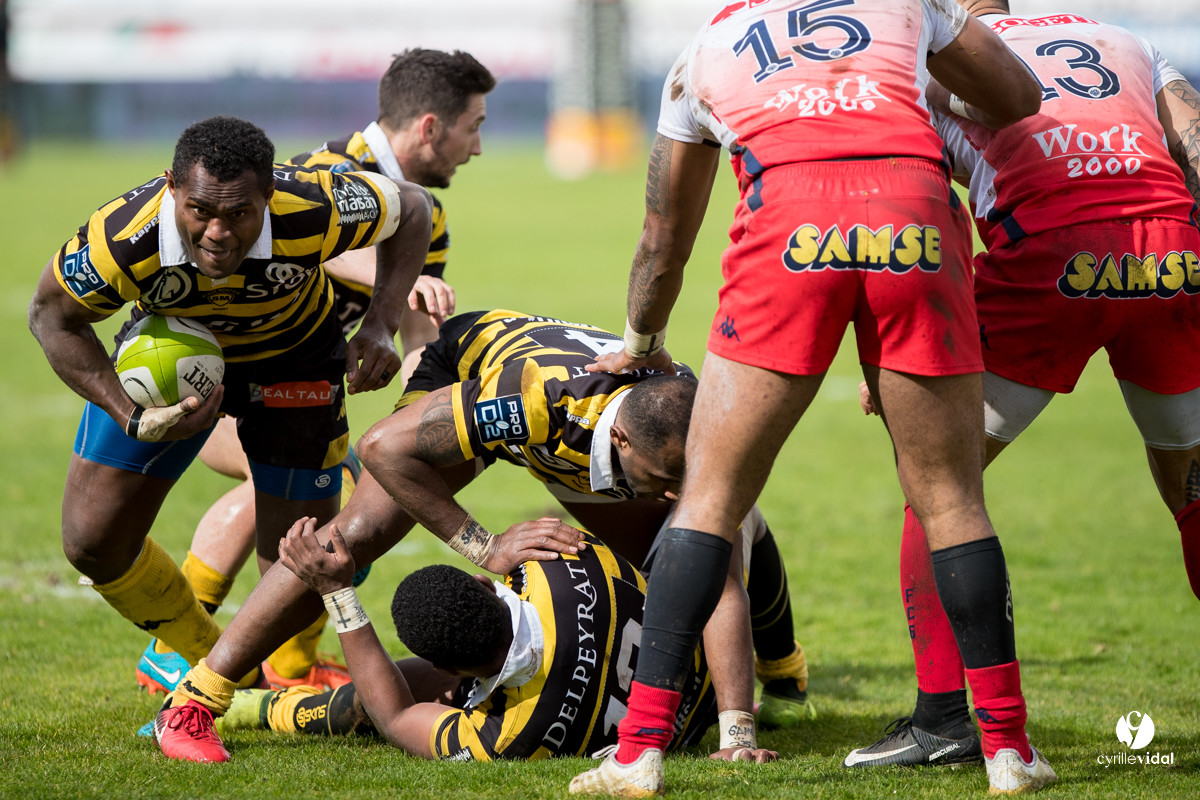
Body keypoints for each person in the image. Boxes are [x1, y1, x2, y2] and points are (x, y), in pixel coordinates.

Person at [568, 1, 1056, 796]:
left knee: (711, 499)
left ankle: (639, 754)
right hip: (915, 209)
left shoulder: (704, 47)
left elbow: (663, 240)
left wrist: (642, 344)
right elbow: (1018, 97)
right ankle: (1008, 749)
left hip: (789, 221)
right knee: (951, 501)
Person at [149, 310, 809, 763]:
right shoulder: (531, 404)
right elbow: (383, 449)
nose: (671, 490)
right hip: (469, 374)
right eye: (663, 477)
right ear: (622, 440)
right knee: (348, 539)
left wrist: (734, 732)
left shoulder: (680, 403)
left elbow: (713, 561)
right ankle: (194, 703)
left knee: (702, 535)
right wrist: (485, 548)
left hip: (577, 435)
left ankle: (782, 673)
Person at [843, 0, 1200, 771]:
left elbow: (916, 210)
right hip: (1171, 253)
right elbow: (1194, 141)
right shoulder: (1120, 37)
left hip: (1046, 260)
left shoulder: (930, 63)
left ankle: (943, 720)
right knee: (1193, 491)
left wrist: (894, 352)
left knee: (938, 487)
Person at [27, 115, 433, 695]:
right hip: (173, 368)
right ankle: (214, 659)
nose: (217, 231)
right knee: (91, 540)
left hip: (295, 365)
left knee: (298, 577)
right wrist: (128, 412)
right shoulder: (121, 238)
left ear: (269, 194)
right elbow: (51, 316)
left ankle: (229, 674)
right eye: (200, 210)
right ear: (171, 187)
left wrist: (380, 325)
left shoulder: (314, 207)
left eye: (239, 213)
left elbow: (413, 208)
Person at [137, 49, 497, 695]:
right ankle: (172, 657)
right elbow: (316, 253)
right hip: (218, 373)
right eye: (474, 127)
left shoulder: (425, 217)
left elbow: (420, 331)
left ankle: (290, 664)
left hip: (304, 388)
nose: (477, 148)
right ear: (430, 127)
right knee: (288, 487)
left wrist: (424, 420)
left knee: (327, 489)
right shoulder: (321, 176)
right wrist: (400, 280)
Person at [213, 522, 767, 763]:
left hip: (668, 732)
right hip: (702, 710)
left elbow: (396, 717)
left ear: (451, 672)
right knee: (725, 530)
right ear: (484, 582)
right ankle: (784, 677)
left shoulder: (509, 735)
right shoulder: (561, 557)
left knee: (375, 703)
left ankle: (261, 707)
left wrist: (337, 591)